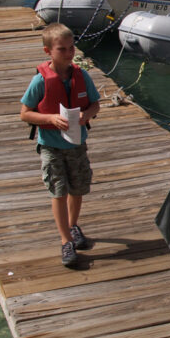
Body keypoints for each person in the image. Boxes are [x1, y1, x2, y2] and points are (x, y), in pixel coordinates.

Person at [20, 23, 101, 269]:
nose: (68, 53)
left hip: (77, 145)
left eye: (71, 47)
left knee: (78, 188)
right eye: (62, 49)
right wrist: (49, 119)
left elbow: (95, 104)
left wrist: (87, 114)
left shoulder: (81, 75)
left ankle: (73, 225)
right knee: (58, 191)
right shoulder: (40, 81)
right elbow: (24, 113)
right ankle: (65, 239)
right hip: (51, 147)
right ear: (48, 51)